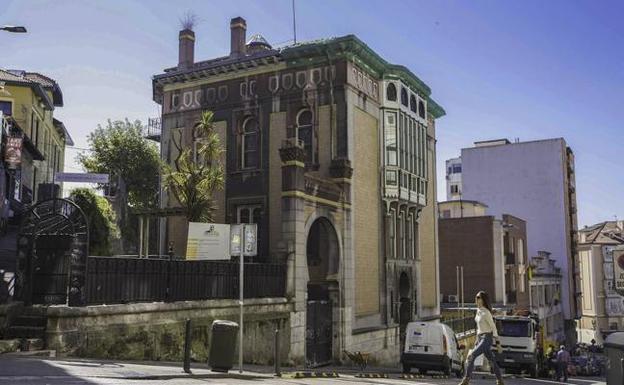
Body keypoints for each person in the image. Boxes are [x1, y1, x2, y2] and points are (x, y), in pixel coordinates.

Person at [459, 291, 504, 385]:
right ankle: (500, 381)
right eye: (476, 297)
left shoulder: (486, 313)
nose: (477, 299)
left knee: (471, 356)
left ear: (483, 300)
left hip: (487, 338)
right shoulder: (478, 311)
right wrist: (476, 340)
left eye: (479, 297)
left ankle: (466, 380)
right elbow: (479, 328)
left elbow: (493, 328)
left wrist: (498, 344)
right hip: (480, 338)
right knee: (492, 361)